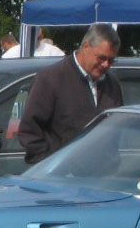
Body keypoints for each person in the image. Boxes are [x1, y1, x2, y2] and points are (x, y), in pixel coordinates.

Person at [17, 23, 122, 164]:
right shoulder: (51, 79)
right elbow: (29, 130)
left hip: (101, 176)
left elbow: (116, 131)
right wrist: (50, 165)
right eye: (101, 58)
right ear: (86, 47)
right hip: (58, 177)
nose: (106, 65)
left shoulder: (112, 84)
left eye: (111, 60)